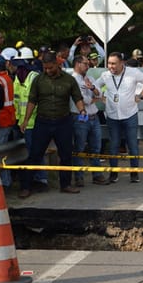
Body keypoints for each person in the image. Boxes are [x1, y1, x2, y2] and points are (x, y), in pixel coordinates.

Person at [18, 52, 88, 197]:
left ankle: (66, 184)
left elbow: (77, 97)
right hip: (43, 122)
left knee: (66, 154)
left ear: (57, 64)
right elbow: (32, 101)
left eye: (50, 68)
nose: (48, 71)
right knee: (35, 154)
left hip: (63, 122)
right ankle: (26, 187)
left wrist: (82, 110)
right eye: (45, 68)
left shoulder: (69, 80)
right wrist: (26, 120)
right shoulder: (38, 80)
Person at [92, 52, 143, 183]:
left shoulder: (133, 72)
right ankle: (114, 174)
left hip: (130, 115)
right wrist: (100, 96)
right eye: (109, 63)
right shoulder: (105, 75)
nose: (111, 66)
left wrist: (141, 96)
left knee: (132, 145)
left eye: (114, 63)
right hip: (112, 116)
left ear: (122, 63)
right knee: (114, 146)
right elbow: (96, 86)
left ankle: (134, 173)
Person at [11, 46, 49, 190]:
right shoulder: (17, 79)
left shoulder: (34, 77)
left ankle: (42, 179)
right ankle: (36, 178)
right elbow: (17, 100)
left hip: (36, 123)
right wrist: (18, 120)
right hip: (24, 124)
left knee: (36, 151)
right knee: (32, 151)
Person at [70, 55, 109, 186]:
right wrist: (95, 98)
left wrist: (92, 89)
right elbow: (84, 100)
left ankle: (97, 174)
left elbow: (99, 93)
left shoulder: (90, 78)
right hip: (80, 117)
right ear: (77, 64)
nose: (88, 66)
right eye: (85, 63)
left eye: (88, 64)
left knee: (96, 147)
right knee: (79, 147)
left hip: (93, 116)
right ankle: (79, 177)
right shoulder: (73, 79)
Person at [0, 54, 17, 186]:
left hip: (3, 118)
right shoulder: (7, 78)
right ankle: (7, 180)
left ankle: (5, 182)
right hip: (10, 116)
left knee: (0, 151)